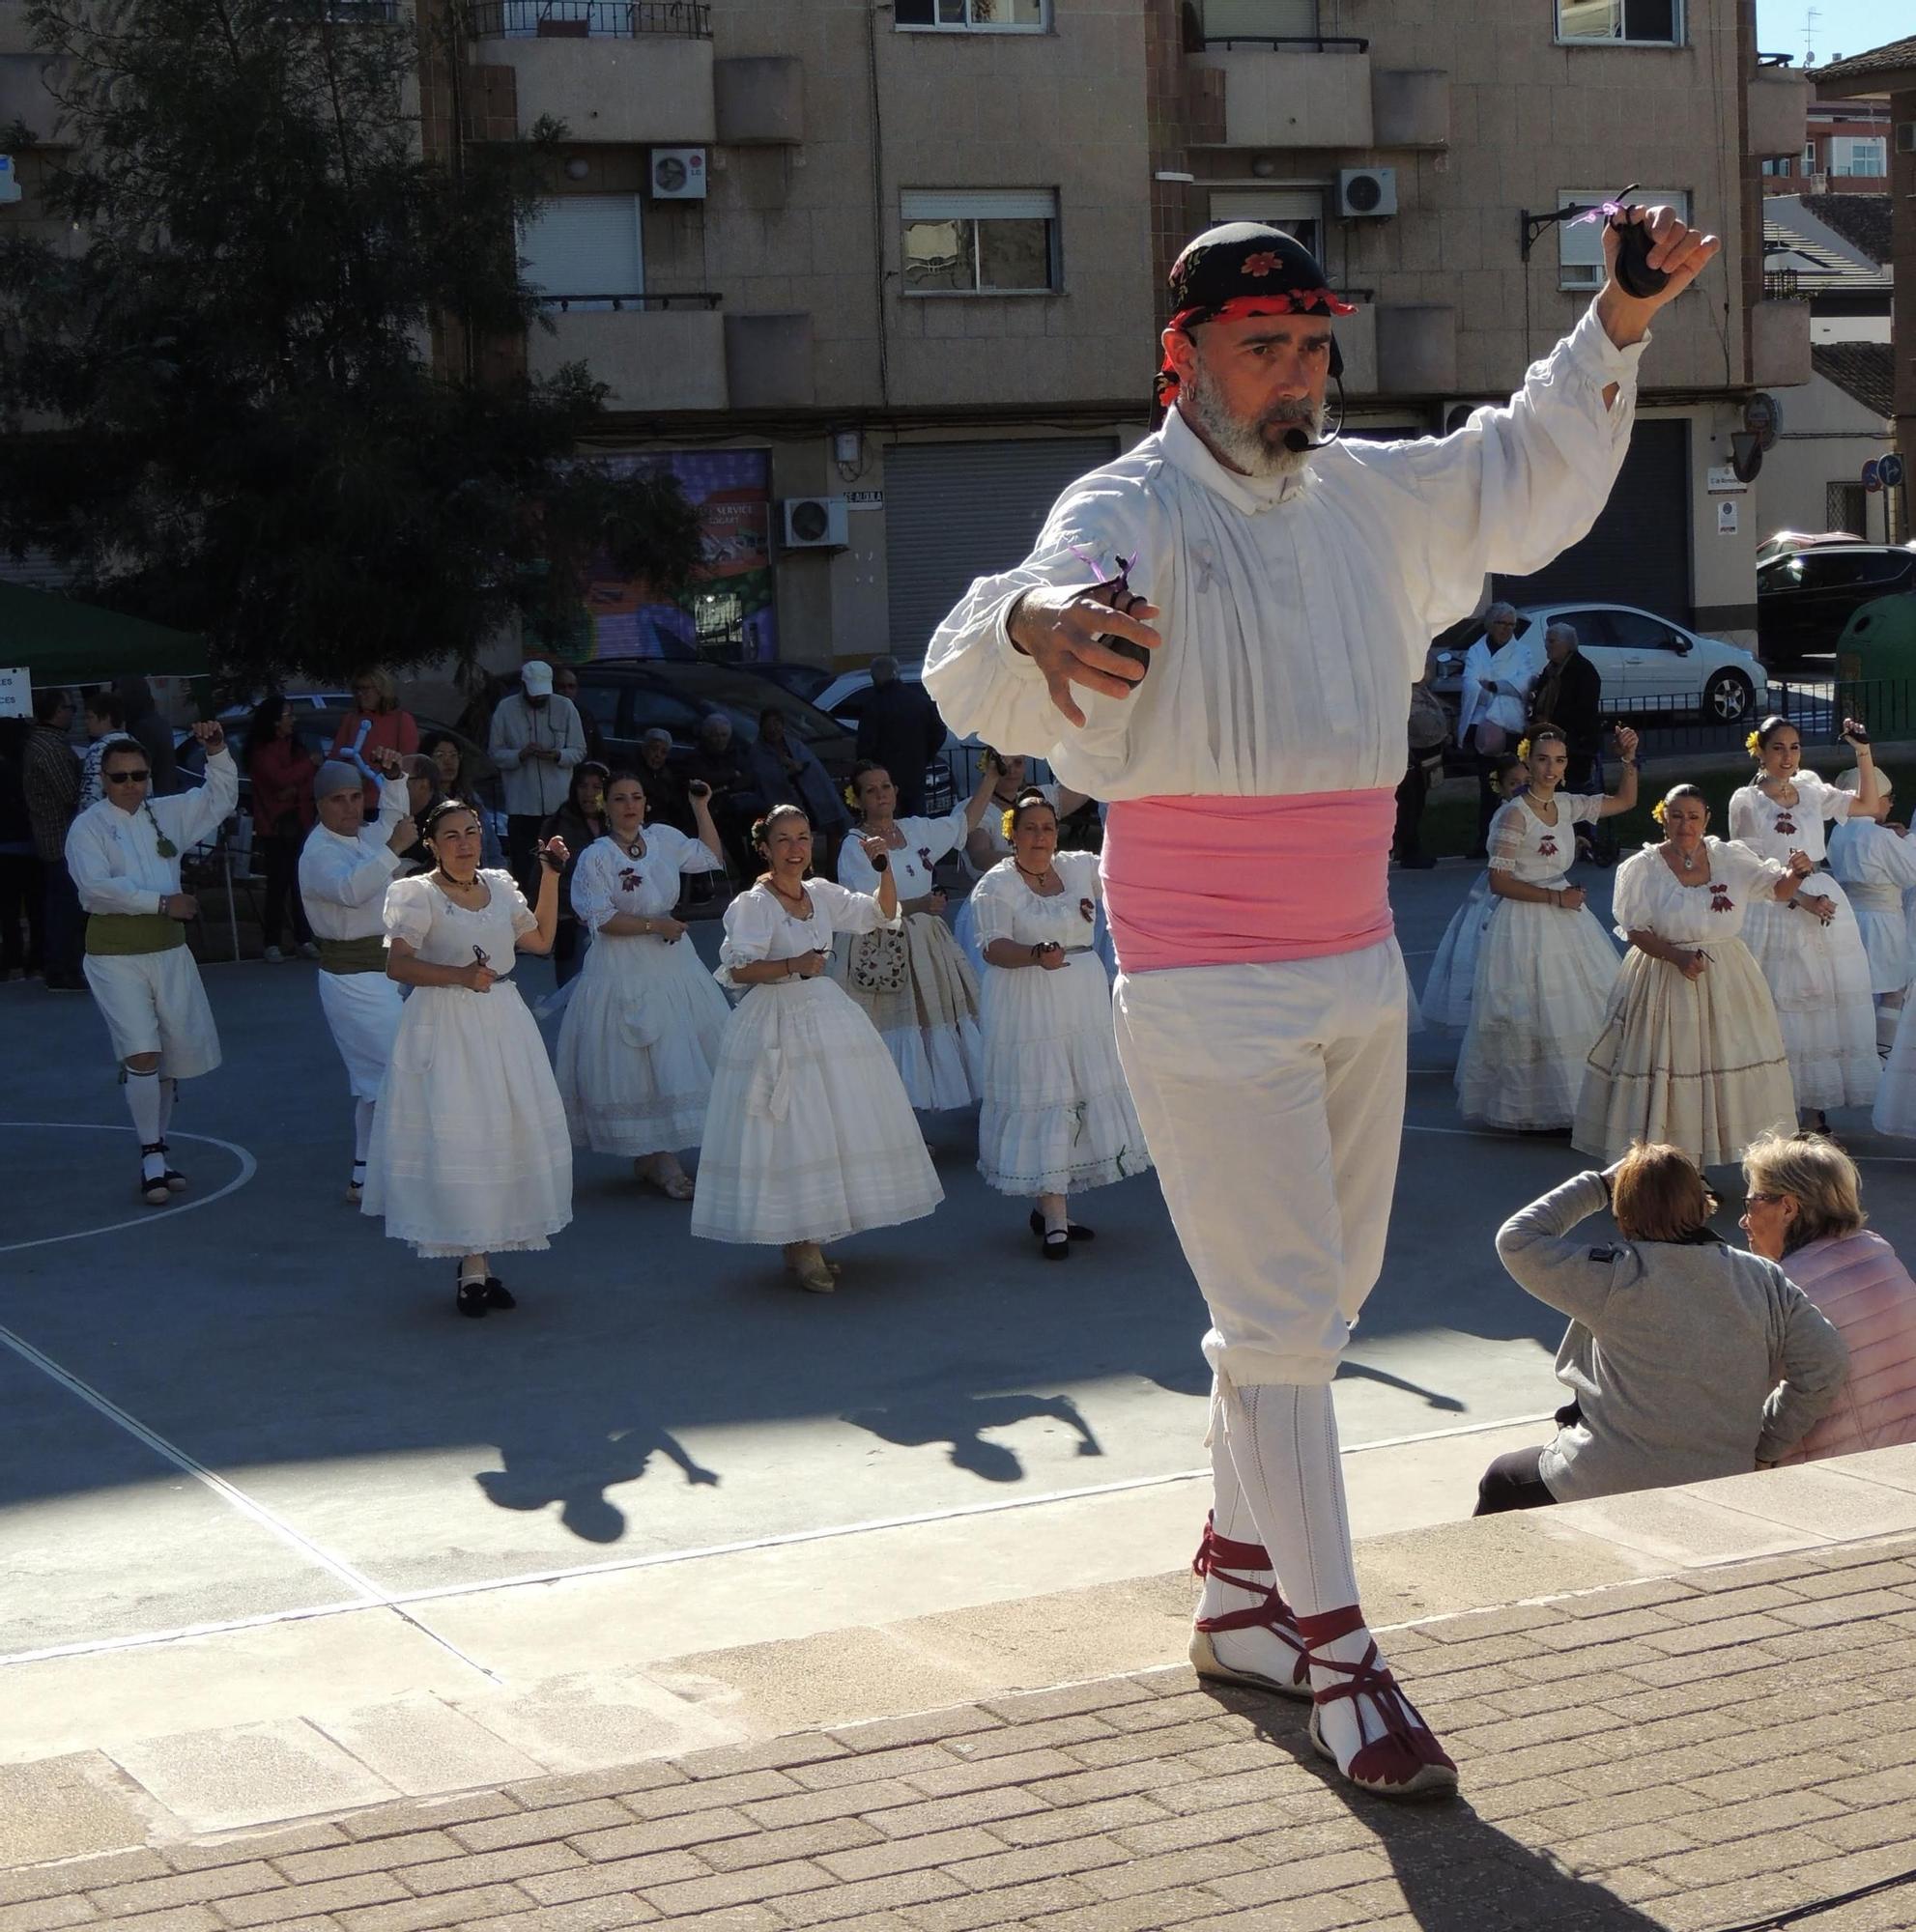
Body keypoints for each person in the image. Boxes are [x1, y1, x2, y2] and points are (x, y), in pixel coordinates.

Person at [925, 207, 1719, 1797]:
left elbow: (1516, 464)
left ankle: (1235, 1591)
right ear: (1182, 359)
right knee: (1284, 1320)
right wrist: (1034, 625)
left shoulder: (1364, 493)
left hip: (1351, 958)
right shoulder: (1130, 508)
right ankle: (1341, 1657)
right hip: (1202, 974)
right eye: (1257, 347)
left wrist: (1617, 318)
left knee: (1310, 1306)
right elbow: (996, 632)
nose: (1293, 376)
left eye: (1308, 347)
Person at [1476, 1146, 1847, 1512]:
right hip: (1723, 1475)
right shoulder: (1762, 1278)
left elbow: (1517, 1239)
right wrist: (1766, 1446)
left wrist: (1601, 1185)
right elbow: (1825, 1364)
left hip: (1611, 1475)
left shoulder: (1611, 1276)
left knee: (1501, 1481)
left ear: (1623, 1216)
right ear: (1704, 1205)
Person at [692, 804, 943, 1291]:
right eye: (783, 840)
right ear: (764, 848)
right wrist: (793, 964)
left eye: (803, 838)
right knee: (792, 1125)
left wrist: (883, 866)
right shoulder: (754, 904)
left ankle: (808, 1237)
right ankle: (801, 1245)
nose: (795, 849)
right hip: (775, 1019)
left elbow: (883, 913)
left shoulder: (821, 893)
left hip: (825, 1014)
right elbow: (737, 970)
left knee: (829, 1122)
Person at [359, 800, 572, 1316]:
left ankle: (480, 1262)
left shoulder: (499, 886)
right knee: (463, 1139)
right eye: (451, 835)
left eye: (472, 832)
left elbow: (541, 941)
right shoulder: (416, 893)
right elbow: (398, 965)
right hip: (445, 1026)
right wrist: (459, 976)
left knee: (500, 1134)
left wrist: (549, 876)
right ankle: (473, 1267)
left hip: (501, 1021)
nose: (465, 843)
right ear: (432, 843)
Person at [1574, 784, 1807, 1168]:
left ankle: (1719, 1155)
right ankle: (1672, 1168)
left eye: (1693, 816)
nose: (1685, 824)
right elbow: (1635, 930)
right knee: (1673, 1067)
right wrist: (1677, 957)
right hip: (1665, 974)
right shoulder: (1641, 868)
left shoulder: (1731, 857)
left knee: (1723, 1062)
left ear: (1706, 820)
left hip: (1727, 975)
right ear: (1662, 817)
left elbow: (1778, 890)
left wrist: (1797, 874)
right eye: (1677, 815)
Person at [972, 788, 1152, 1256]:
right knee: (1045, 1096)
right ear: (1012, 834)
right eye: (1029, 828)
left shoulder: (1076, 867)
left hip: (1080, 998)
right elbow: (992, 947)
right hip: (1028, 1002)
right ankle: (1053, 1215)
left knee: (1073, 1095)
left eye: (1047, 828)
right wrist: (1035, 954)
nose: (1040, 837)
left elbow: (1128, 867)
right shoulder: (996, 885)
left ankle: (1053, 1205)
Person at [66, 724, 238, 1204]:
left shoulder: (166, 815)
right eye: (119, 777)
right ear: (103, 778)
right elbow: (95, 888)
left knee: (169, 1059)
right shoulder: (88, 827)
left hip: (168, 952)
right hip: (114, 956)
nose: (130, 785)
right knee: (141, 1052)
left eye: (138, 775)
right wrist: (161, 903)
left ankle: (158, 1148)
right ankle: (151, 1156)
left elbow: (220, 798)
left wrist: (216, 750)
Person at [1453, 725, 1637, 1131]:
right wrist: (1556, 898)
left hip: (1568, 917)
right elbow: (1498, 881)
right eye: (1542, 759)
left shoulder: (1568, 805)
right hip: (1524, 920)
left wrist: (1627, 760)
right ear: (1528, 761)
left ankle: (1579, 1100)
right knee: (1534, 1010)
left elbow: (1625, 800)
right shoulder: (1514, 814)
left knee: (1578, 1005)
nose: (1551, 768)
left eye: (1559, 760)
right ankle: (1533, 1106)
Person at [555, 772, 729, 1197]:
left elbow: (709, 855)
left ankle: (670, 1148)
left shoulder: (664, 839)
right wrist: (654, 923)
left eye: (636, 797)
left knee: (683, 1044)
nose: (629, 805)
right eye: (619, 799)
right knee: (639, 1052)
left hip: (673, 961)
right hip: (623, 965)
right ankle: (655, 1156)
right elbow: (598, 917)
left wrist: (700, 808)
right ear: (605, 805)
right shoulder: (597, 857)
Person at [1729, 716, 1880, 1130]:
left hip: (1822, 900)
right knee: (1782, 1006)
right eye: (1778, 747)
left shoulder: (1811, 789)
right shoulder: (1747, 800)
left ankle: (1814, 1108)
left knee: (1822, 1005)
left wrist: (1861, 751)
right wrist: (1800, 897)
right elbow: (1747, 865)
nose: (1787, 756)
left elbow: (1868, 805)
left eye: (1794, 747)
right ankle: (1777, 1110)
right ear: (1759, 750)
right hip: (1774, 904)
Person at [1740, 1129, 1916, 1463]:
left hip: (1843, 1474)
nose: (1743, 1220)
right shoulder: (1877, 1251)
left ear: (1788, 1208)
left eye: (1751, 1203)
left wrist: (1761, 1453)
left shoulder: (1781, 1288)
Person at [833, 759, 994, 1110]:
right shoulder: (855, 846)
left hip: (926, 941)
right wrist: (920, 902)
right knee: (892, 1030)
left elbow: (963, 824)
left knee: (931, 1025)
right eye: (871, 790)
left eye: (886, 786)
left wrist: (991, 778)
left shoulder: (916, 830)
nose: (881, 795)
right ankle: (893, 1121)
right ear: (857, 800)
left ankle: (917, 1110)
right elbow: (868, 907)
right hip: (881, 947)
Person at [298, 753, 417, 1202]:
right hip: (350, 977)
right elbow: (351, 890)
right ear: (319, 806)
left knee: (376, 1080)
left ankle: (364, 1172)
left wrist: (392, 779)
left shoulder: (365, 837)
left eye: (354, 798)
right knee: (399, 1068)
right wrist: (394, 851)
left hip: (387, 969)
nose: (349, 808)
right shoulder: (318, 853)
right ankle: (398, 1171)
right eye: (337, 801)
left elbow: (391, 817)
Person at [955, 749, 1090, 975]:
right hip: (996, 901)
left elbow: (1088, 785)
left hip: (1046, 899)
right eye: (1005, 764)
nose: (1012, 770)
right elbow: (980, 855)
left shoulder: (1039, 799)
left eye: (1018, 763)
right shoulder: (975, 809)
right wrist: (1031, 862)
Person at [1419, 756, 1524, 1033]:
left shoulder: (1535, 811)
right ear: (1500, 787)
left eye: (1526, 782)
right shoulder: (1506, 815)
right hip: (1504, 890)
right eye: (1513, 784)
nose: (1521, 789)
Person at [1825, 771, 1916, 1058]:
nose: (1890, 806)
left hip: (1852, 918)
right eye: (1888, 799)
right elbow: (1910, 872)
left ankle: (1861, 1050)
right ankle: (1882, 1053)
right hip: (1884, 920)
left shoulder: (1840, 831)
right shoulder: (1879, 836)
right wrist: (1908, 841)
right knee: (1893, 990)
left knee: (1862, 991)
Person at [488, 660, 585, 896]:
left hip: (557, 805)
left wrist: (557, 755)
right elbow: (495, 753)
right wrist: (520, 755)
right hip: (521, 805)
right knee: (525, 867)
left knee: (561, 865)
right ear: (523, 686)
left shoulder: (565, 708)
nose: (539, 700)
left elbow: (579, 750)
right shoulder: (506, 709)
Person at [243, 696, 321, 963]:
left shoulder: (294, 747)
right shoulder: (262, 751)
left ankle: (304, 937)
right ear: (275, 721)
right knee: (278, 885)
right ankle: (272, 941)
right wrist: (306, 768)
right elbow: (278, 780)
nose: (293, 720)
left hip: (300, 821)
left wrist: (295, 786)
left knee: (301, 883)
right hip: (275, 827)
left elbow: (300, 784)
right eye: (287, 715)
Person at [1458, 607, 1539, 859]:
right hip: (1482, 728)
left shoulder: (1523, 652)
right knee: (1489, 785)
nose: (1506, 628)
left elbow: (1525, 682)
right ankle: (1485, 839)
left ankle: (1518, 839)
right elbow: (1470, 683)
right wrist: (1498, 691)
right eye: (1501, 623)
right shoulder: (1476, 651)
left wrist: (1494, 685)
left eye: (1511, 624)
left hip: (1511, 728)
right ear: (1490, 624)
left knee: (1516, 784)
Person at [1527, 622, 1608, 865]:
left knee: (1577, 795)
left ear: (1567, 644)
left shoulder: (1583, 671)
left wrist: (1552, 722)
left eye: (1552, 641)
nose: (1547, 646)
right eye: (1547, 641)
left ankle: (1583, 842)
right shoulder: (1551, 670)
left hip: (1576, 745)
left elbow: (1583, 710)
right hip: (1552, 742)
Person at [23, 688, 86, 990]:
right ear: (56, 711)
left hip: (51, 837)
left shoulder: (42, 743)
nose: (73, 712)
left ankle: (59, 965)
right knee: (65, 908)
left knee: (58, 905)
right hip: (61, 838)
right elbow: (70, 794)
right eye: (69, 707)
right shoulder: (51, 749)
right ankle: (63, 968)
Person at [540, 760, 609, 987]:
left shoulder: (615, 823)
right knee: (573, 991)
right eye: (582, 786)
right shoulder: (558, 824)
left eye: (597, 787)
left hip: (611, 919)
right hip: (571, 919)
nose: (589, 794)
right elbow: (546, 876)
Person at [855, 657, 947, 819]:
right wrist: (925, 756)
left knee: (889, 822)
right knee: (917, 822)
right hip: (915, 773)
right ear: (897, 674)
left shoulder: (874, 705)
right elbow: (939, 732)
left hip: (884, 778)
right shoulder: (918, 701)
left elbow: (865, 746)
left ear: (874, 678)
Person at [746, 706, 850, 845]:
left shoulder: (793, 744)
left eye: (776, 723)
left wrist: (798, 766)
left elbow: (813, 769)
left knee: (832, 819)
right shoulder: (758, 752)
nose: (773, 729)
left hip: (809, 795)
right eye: (769, 725)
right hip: (783, 800)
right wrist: (784, 772)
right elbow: (765, 778)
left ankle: (833, 864)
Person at [1393, 654, 1448, 870]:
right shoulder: (1402, 692)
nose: (1428, 671)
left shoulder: (1421, 691)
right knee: (1409, 805)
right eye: (1424, 667)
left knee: (1416, 805)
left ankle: (1410, 847)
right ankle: (1408, 850)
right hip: (1410, 758)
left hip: (1426, 756)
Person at [0, 719, 42, 980]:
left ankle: (13, 960)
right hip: (33, 845)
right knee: (36, 908)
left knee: (8, 910)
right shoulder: (28, 766)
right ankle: (36, 960)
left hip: (4, 848)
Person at [329, 668, 419, 775]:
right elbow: (336, 757)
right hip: (354, 786)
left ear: (381, 690)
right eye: (357, 689)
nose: (360, 694)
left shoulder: (401, 720)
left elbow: (408, 762)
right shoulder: (351, 719)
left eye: (365, 689)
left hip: (386, 786)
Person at [113, 676, 179, 797]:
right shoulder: (157, 721)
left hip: (155, 796)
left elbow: (139, 770)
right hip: (165, 792)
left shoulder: (142, 728)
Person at [635, 727, 694, 836]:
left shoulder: (668, 775)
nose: (658, 755)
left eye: (663, 752)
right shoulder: (633, 773)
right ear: (644, 749)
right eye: (654, 749)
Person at [77, 689, 128, 814]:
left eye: (90, 717)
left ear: (106, 718)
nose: (86, 722)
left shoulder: (98, 749)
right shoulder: (136, 745)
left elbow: (90, 795)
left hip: (104, 822)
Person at [552, 666, 605, 764]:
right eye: (562, 686)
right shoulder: (545, 714)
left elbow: (598, 751)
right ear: (553, 687)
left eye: (571, 686)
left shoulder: (585, 715)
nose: (567, 691)